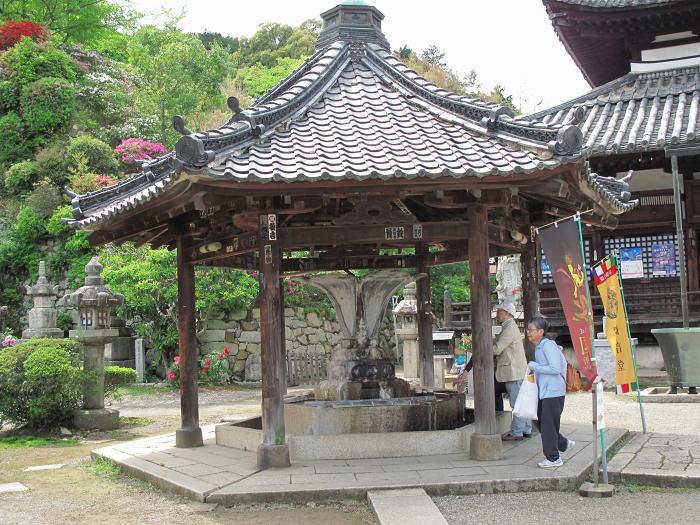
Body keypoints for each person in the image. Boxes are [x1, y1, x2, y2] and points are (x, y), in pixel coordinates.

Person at [526, 316, 575, 468]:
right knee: (540, 421)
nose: (528, 333)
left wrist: (535, 366)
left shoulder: (547, 346)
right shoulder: (540, 346)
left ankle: (554, 458)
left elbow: (555, 368)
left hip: (553, 392)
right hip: (546, 392)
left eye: (531, 330)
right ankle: (563, 443)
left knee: (547, 425)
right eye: (527, 330)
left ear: (540, 332)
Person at [493, 303, 532, 441]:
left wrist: (481, 347)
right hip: (517, 369)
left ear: (507, 313)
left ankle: (517, 431)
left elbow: (497, 349)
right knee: (522, 401)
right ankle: (526, 429)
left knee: (517, 402)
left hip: (513, 370)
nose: (497, 313)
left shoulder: (509, 328)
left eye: (500, 311)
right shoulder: (509, 327)